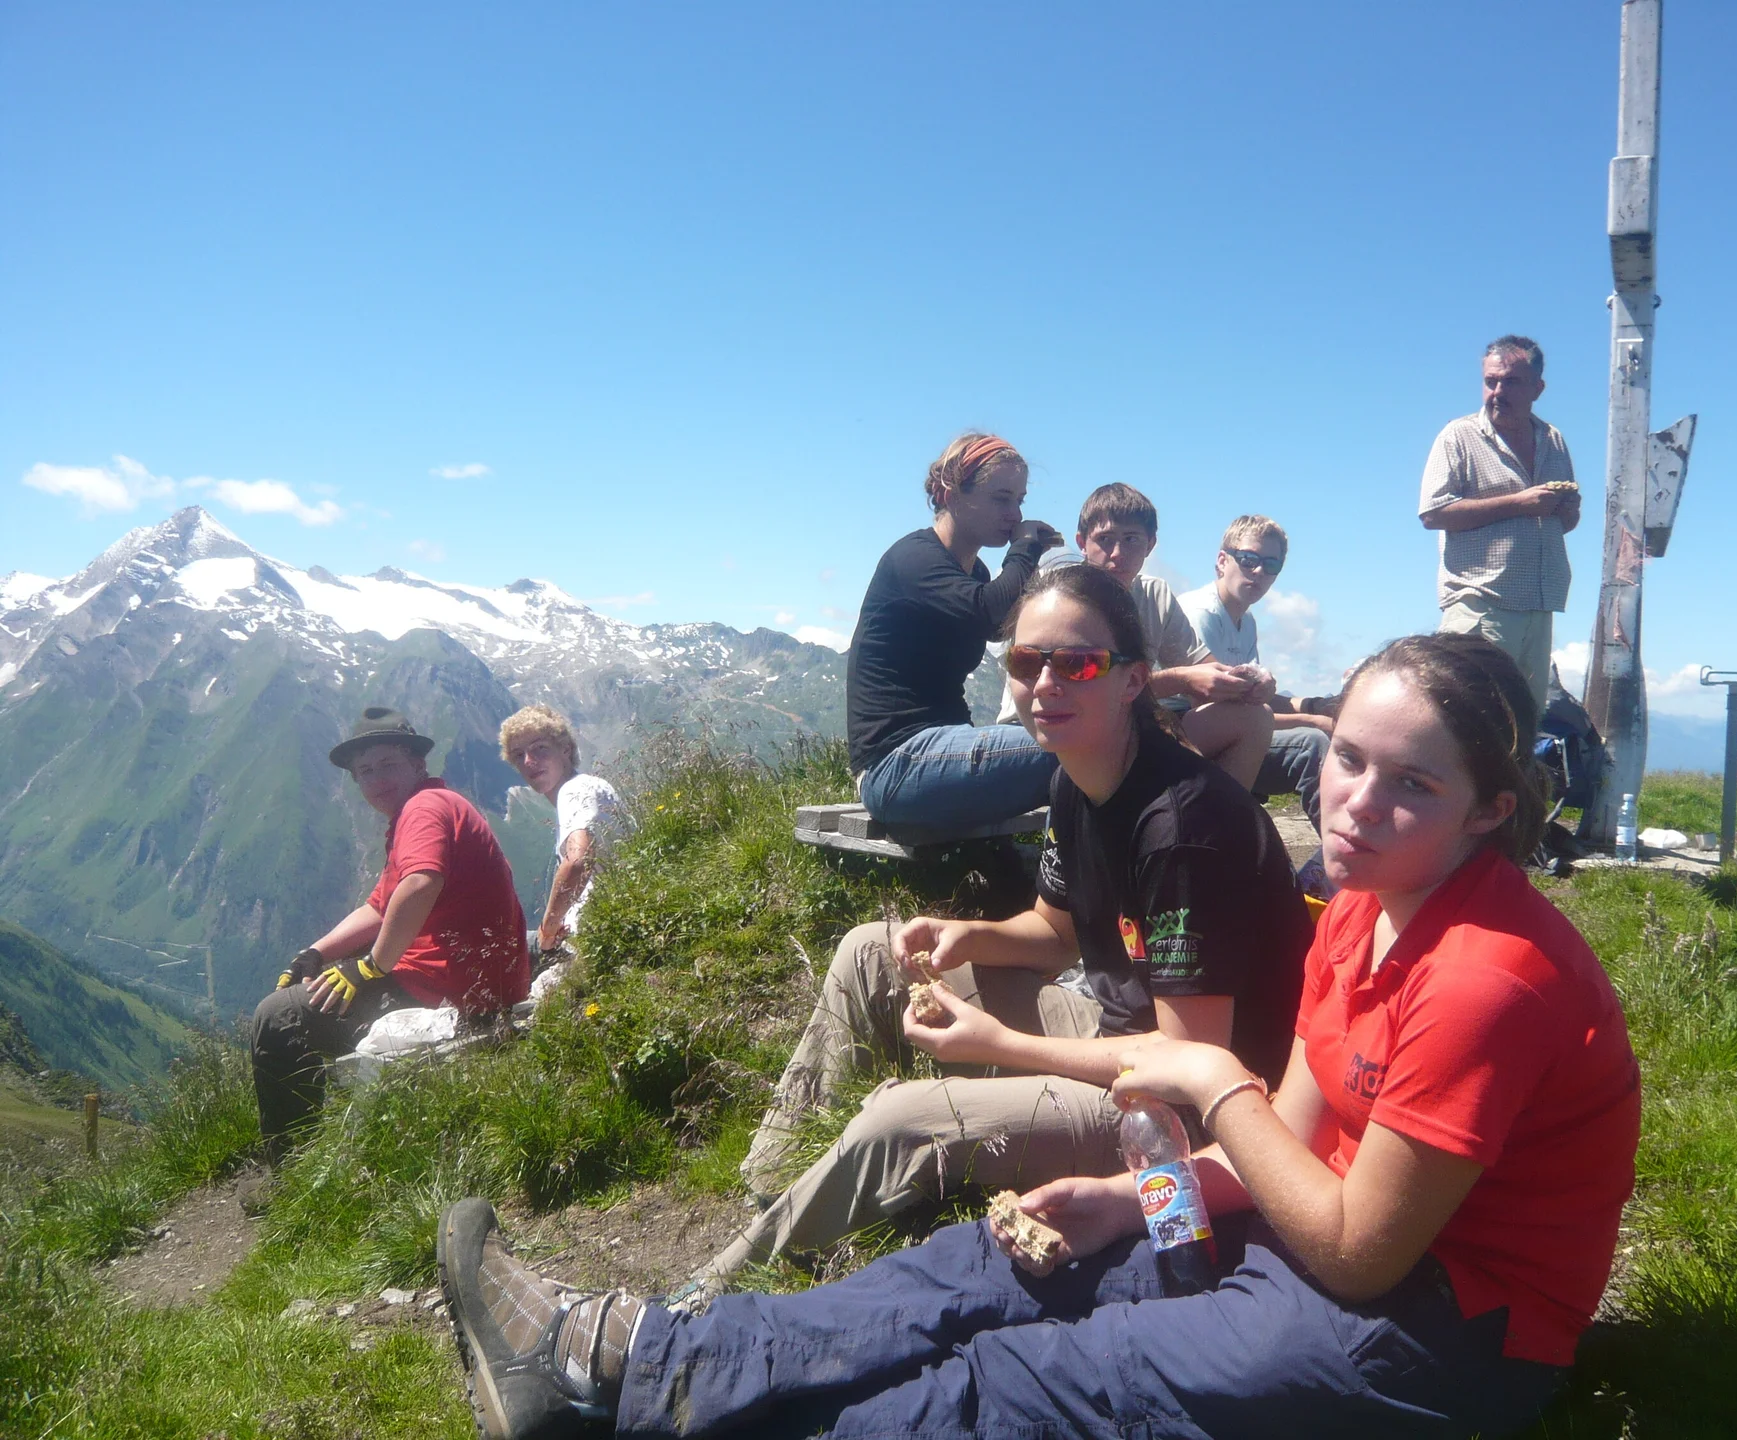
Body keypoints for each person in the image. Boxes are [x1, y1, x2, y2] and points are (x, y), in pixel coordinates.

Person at [437, 632, 1640, 1440]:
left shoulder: (1489, 978)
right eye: (1348, 762)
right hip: (1306, 1246)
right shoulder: (1365, 912)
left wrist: (1217, 1085)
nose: (1356, 804)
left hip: (1440, 1334)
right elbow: (1303, 1148)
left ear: (1489, 809)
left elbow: (1362, 1253)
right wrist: (1134, 1204)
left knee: (1041, 1380)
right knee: (995, 1263)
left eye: (1412, 787)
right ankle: (630, 1363)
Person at [718, 561, 1312, 1300]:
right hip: (1120, 1035)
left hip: (1189, 1109)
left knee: (900, 1121)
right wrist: (967, 933)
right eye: (1027, 662)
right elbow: (1055, 931)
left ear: (1135, 680)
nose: (1045, 683)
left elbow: (1191, 1056)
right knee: (869, 951)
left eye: (1078, 662)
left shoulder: (1184, 823)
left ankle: (710, 1301)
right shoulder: (1073, 775)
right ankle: (774, 1181)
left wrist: (996, 1047)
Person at [249, 707, 528, 1160]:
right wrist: (314, 954)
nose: (376, 779)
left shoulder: (423, 810)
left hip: (449, 990)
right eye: (365, 772)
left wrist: (369, 968)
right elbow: (381, 906)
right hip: (476, 982)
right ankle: (319, 1143)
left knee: (278, 1019)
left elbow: (420, 882)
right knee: (309, 997)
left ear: (418, 765)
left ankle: (289, 1166)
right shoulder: (428, 808)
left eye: (388, 765)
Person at [844, 432, 1064, 830]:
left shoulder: (974, 573)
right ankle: (1069, 882)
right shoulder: (914, 559)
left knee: (1090, 739)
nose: (1015, 514)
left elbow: (998, 625)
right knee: (1077, 745)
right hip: (896, 763)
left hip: (938, 750)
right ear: (951, 495)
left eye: (1019, 500)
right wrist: (1025, 548)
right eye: (1001, 498)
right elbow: (988, 613)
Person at [996, 484, 1276, 790]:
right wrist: (1182, 680)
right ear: (1082, 543)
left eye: (1131, 540)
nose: (1117, 554)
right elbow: (1081, 687)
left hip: (1115, 726)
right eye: (1104, 540)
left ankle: (1218, 828)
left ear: (1150, 545)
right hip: (1044, 725)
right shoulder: (1059, 596)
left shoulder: (1155, 596)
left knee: (1252, 718)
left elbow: (1205, 669)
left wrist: (1246, 681)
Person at [1419, 335, 1581, 713]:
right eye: (1491, 381)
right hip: (1481, 604)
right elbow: (1433, 513)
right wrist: (1518, 503)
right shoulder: (1458, 436)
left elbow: (1561, 524)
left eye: (1511, 382)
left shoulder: (1553, 440)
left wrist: (1568, 511)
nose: (1497, 391)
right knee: (1471, 721)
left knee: (1524, 722)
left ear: (1537, 388)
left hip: (1539, 607)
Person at [1178, 514, 1332, 827]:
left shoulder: (1246, 623)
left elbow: (1247, 703)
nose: (1259, 571)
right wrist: (1312, 719)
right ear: (1222, 561)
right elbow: (1216, 711)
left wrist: (1318, 706)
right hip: (1176, 730)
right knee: (1312, 744)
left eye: (1271, 565)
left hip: (1219, 727)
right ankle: (1348, 862)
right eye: (1248, 560)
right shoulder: (1201, 613)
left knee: (1321, 738)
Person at [499, 704, 630, 967]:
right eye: (518, 755)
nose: (528, 761)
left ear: (565, 750)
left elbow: (578, 861)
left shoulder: (574, 791)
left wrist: (548, 931)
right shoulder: (590, 786)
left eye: (539, 748)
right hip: (611, 921)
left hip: (594, 934)